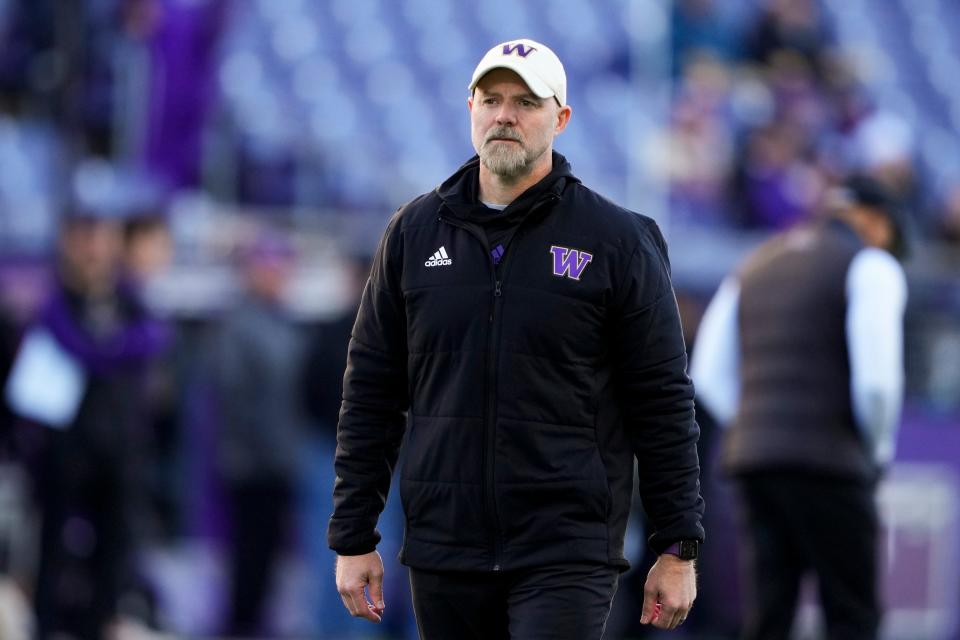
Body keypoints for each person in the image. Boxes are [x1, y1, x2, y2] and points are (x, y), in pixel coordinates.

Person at [329, 38, 705, 639]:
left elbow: (661, 400)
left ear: (560, 119)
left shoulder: (617, 241)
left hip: (567, 546)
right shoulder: (412, 234)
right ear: (470, 108)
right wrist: (353, 535)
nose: (505, 114)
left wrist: (678, 544)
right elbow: (371, 392)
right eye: (492, 99)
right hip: (444, 544)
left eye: (526, 102)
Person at [690, 175, 908, 640]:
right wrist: (876, 449)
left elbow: (707, 371)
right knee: (851, 613)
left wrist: (756, 425)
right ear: (874, 221)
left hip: (753, 463)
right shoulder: (871, 265)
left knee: (770, 613)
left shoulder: (754, 263)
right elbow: (877, 383)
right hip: (832, 462)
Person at [21, 210, 171, 640]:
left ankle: (97, 625)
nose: (92, 250)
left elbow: (157, 338)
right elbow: (81, 347)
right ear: (69, 245)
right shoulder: (56, 300)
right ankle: (46, 626)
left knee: (114, 549)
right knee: (54, 547)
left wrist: (109, 347)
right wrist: (115, 349)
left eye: (100, 240)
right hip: (64, 451)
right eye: (83, 240)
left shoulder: (128, 298)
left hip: (121, 448)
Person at [212, 230, 308, 637]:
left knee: (270, 553)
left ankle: (257, 621)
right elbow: (234, 397)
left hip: (281, 459)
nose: (276, 275)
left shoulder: (285, 321)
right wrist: (264, 448)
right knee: (248, 553)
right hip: (250, 462)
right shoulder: (239, 324)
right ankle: (240, 624)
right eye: (268, 267)